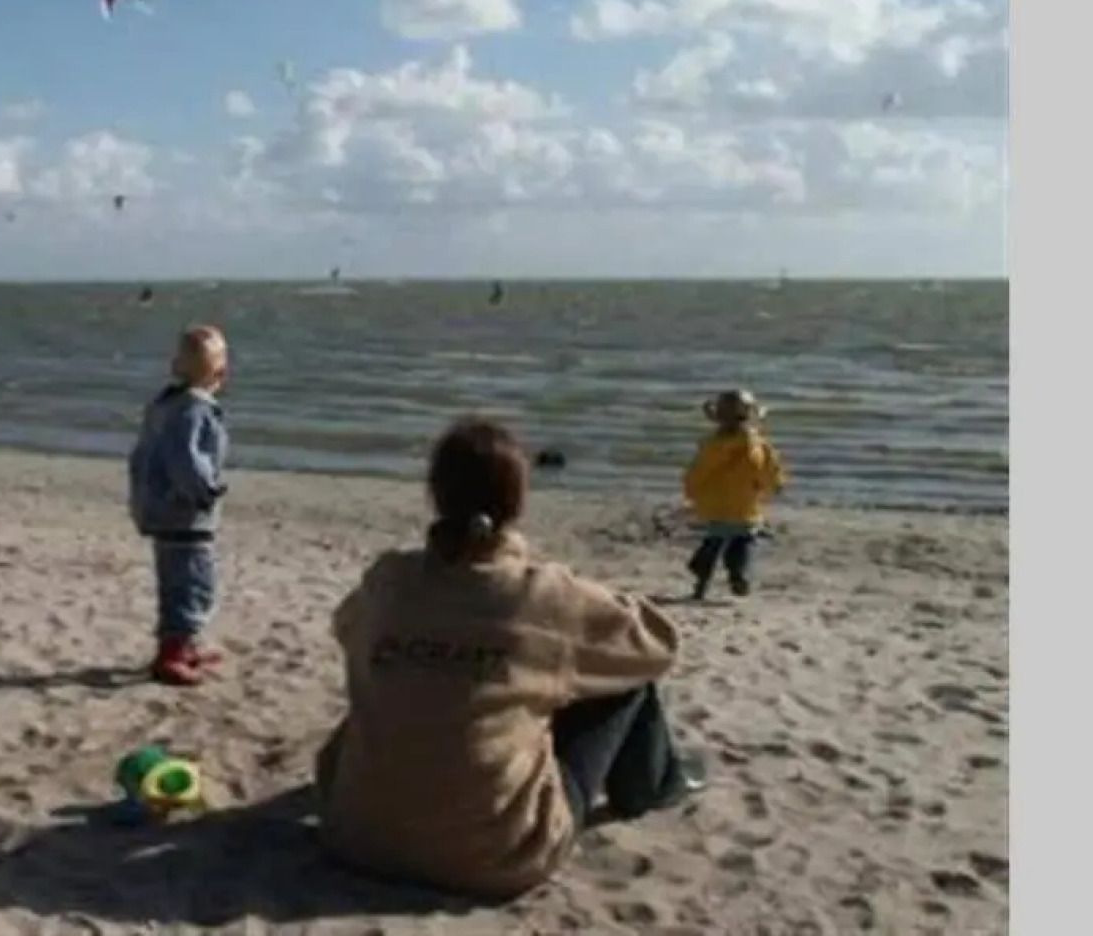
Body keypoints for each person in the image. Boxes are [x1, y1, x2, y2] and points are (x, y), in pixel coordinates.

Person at [313, 417, 703, 899]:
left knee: (412, 682)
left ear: (435, 494)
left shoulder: (390, 579)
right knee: (622, 679)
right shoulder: (542, 593)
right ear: (517, 501)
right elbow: (659, 645)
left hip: (354, 836)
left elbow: (345, 629)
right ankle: (656, 787)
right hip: (496, 856)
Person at [126, 325, 231, 686]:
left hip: (161, 510)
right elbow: (185, 460)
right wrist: (204, 491)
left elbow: (143, 456)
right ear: (221, 374)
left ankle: (182, 645)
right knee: (193, 582)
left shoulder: (164, 406)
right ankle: (172, 652)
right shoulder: (194, 411)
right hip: (184, 514)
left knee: (176, 580)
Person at [681, 389, 786, 600]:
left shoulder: (710, 446)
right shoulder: (758, 446)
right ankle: (739, 574)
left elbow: (697, 472)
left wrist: (691, 492)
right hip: (744, 505)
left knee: (713, 541)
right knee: (742, 543)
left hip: (714, 505)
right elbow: (769, 471)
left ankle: (700, 582)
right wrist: (775, 486)